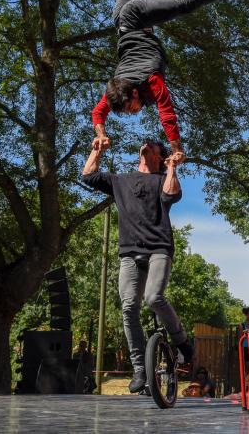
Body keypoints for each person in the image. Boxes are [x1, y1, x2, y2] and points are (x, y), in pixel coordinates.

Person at [92, 0, 249, 160]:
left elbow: (167, 114)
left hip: (134, 16)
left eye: (130, 108)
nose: (132, 112)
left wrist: (176, 149)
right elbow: (98, 112)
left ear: (135, 93)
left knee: (184, 4)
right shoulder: (117, 89)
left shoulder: (151, 79)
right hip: (120, 20)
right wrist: (100, 135)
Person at [81, 139, 192, 394]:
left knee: (153, 298)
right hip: (130, 252)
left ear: (159, 155)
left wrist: (172, 167)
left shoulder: (161, 178)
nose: (145, 145)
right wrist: (96, 150)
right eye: (144, 144)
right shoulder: (121, 180)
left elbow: (171, 194)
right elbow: (88, 176)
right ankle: (140, 368)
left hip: (158, 249)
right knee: (129, 306)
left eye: (151, 145)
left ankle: (181, 340)